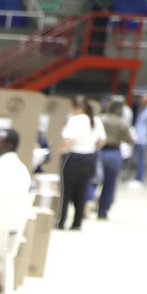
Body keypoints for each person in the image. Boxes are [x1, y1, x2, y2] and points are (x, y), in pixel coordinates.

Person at [55, 98, 101, 231]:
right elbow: (102, 140)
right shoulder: (95, 120)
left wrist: (60, 153)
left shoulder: (74, 120)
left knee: (66, 191)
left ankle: (61, 221)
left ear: (78, 108)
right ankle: (77, 223)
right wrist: (91, 146)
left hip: (74, 157)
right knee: (82, 191)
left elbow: (67, 140)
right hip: (90, 158)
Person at [96, 96, 133, 221]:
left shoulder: (101, 119)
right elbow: (130, 139)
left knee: (93, 180)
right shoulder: (123, 123)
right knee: (110, 184)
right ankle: (103, 211)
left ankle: (88, 203)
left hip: (100, 151)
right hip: (114, 153)